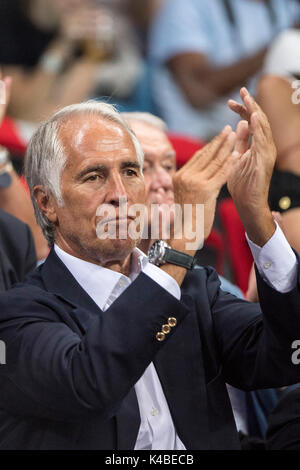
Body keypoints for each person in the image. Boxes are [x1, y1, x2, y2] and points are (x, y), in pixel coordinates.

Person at [0, 88, 300, 450]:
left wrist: (256, 217)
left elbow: (284, 357)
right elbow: (91, 382)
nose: (120, 193)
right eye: (93, 176)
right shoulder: (18, 312)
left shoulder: (194, 289)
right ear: (47, 202)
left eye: (130, 171)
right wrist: (177, 246)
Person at [148, 0, 300, 139]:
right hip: (201, 145)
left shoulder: (285, 6)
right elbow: (199, 92)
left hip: (265, 141)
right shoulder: (185, 5)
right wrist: (281, 46)